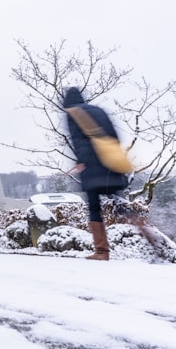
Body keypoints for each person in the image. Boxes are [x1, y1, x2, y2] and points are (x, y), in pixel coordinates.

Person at [62, 87, 129, 261]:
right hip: (110, 162)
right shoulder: (99, 110)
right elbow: (115, 136)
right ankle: (152, 238)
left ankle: (101, 251)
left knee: (94, 207)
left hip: (92, 166)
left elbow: (78, 141)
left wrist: (82, 161)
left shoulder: (72, 113)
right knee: (120, 204)